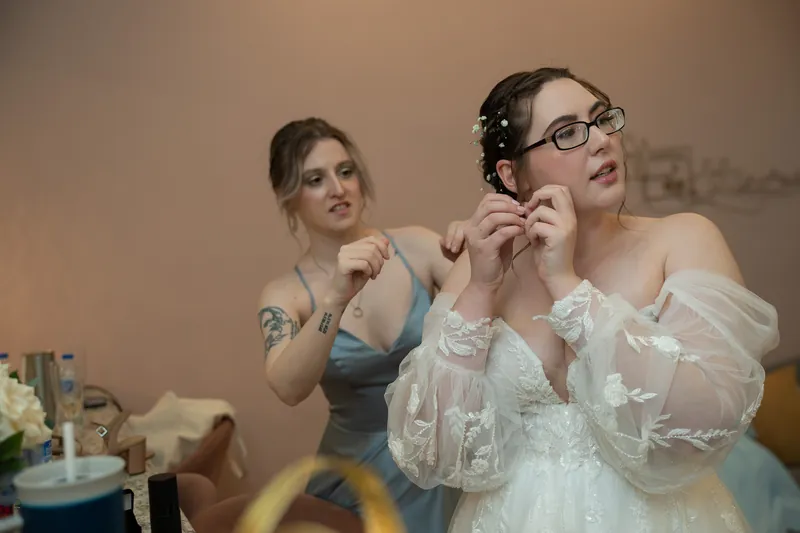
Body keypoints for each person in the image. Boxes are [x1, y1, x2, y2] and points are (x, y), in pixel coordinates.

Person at [385, 67, 780, 532]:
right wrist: (479, 290)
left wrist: (568, 287)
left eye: (602, 120)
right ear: (511, 174)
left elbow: (707, 423)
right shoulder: (481, 268)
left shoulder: (683, 239)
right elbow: (430, 452)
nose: (600, 141)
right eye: (567, 133)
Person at [258, 117, 462, 532]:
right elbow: (288, 387)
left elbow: (498, 313)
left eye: (345, 171)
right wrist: (335, 297)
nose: (338, 188)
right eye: (315, 179)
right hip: (357, 482)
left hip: (437, 459)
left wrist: (478, 248)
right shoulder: (285, 295)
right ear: (287, 195)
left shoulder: (418, 247)